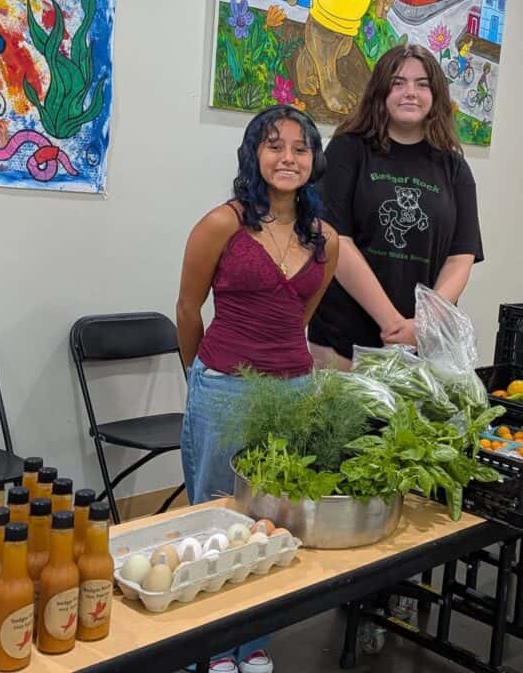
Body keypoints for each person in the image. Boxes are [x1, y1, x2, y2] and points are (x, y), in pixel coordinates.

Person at [175, 105, 338, 673]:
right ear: (254, 154)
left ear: (313, 160)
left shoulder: (326, 240)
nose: (287, 157)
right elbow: (188, 308)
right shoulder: (223, 224)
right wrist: (204, 376)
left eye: (300, 147)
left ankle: (254, 641)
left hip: (292, 393)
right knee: (215, 517)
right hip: (224, 388)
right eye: (274, 145)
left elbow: (300, 318)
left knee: (273, 520)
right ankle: (214, 644)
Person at [308, 43, 483, 371]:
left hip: (424, 347)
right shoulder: (348, 150)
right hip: (344, 342)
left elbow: (461, 257)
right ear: (380, 91)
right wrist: (392, 324)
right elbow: (336, 241)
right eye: (398, 82)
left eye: (422, 84)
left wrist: (422, 326)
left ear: (436, 95)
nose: (410, 93)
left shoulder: (454, 168)